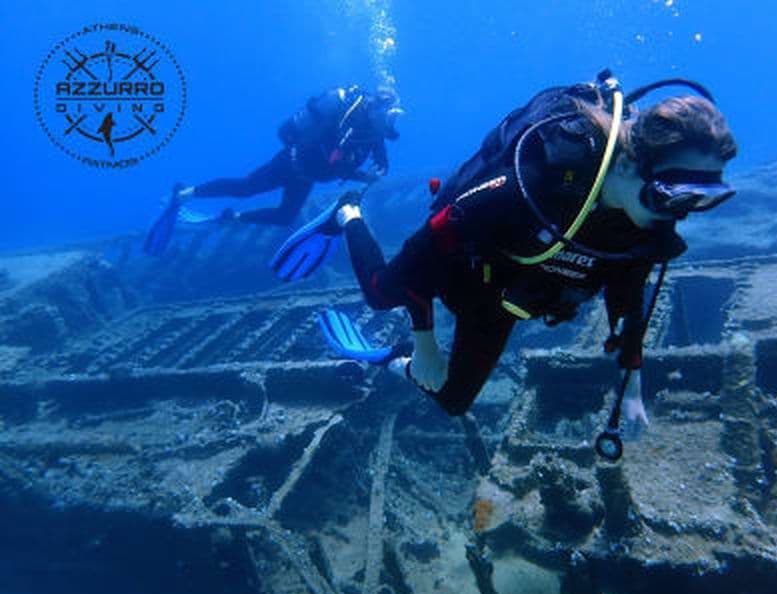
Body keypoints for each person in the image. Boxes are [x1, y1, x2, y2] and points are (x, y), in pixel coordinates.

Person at [305, 73, 737, 431]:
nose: (681, 214)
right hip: (458, 259)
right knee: (381, 294)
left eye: (703, 198)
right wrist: (426, 342)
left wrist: (634, 388)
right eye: (673, 195)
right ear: (626, 165)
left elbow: (628, 299)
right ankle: (347, 212)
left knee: (453, 400)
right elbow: (429, 247)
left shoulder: (645, 226)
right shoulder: (536, 182)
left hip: (502, 296)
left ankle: (389, 358)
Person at [173, 85, 403, 226]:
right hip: (291, 163)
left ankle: (233, 217)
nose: (391, 121)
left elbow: (382, 162)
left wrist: (378, 171)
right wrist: (362, 176)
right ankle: (186, 193)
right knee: (245, 188)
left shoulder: (374, 134)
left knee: (285, 217)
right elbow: (330, 162)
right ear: (378, 110)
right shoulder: (345, 121)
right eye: (389, 114)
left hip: (307, 178)